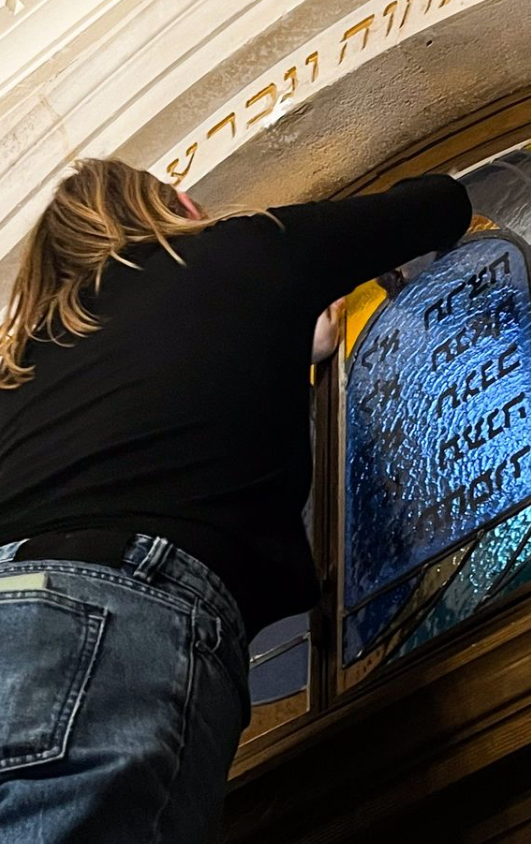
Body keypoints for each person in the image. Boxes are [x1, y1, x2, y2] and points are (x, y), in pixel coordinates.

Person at [0, 159, 472, 843]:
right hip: (110, 610)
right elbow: (434, 206)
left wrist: (290, 347)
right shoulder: (238, 248)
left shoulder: (25, 369)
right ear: (183, 208)